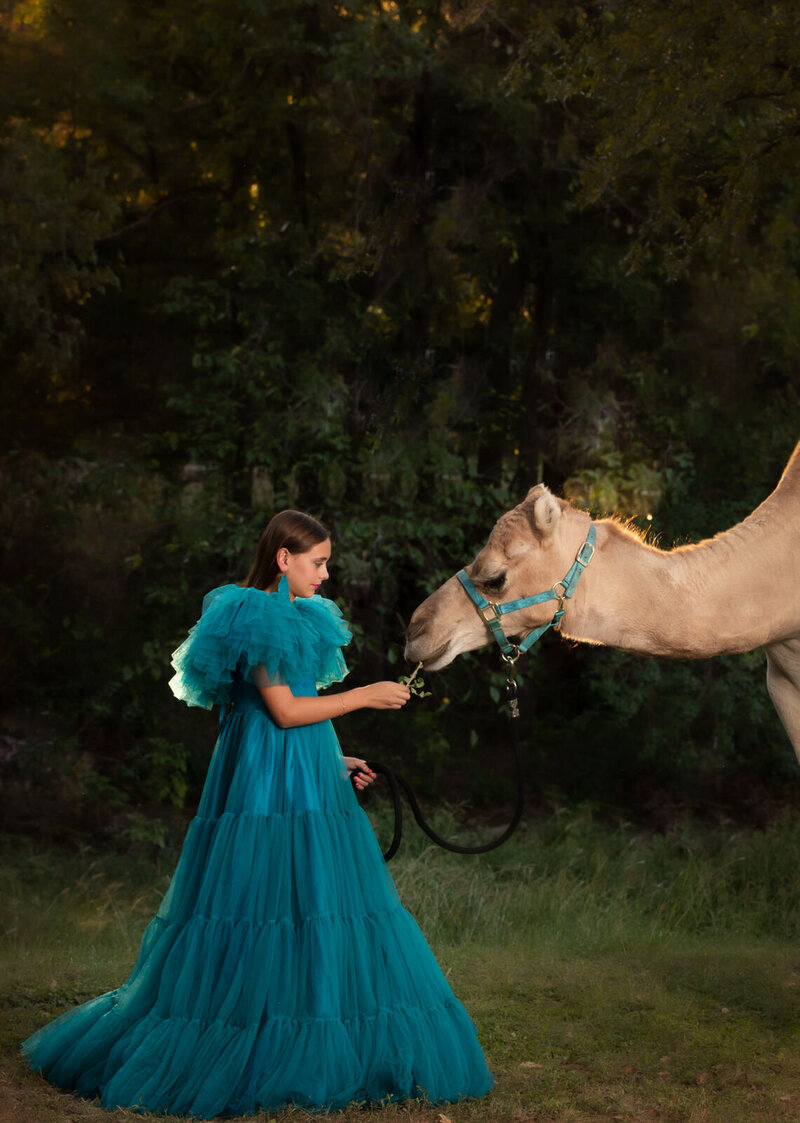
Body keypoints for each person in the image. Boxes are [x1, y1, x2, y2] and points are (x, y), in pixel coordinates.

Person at [22, 509, 493, 1117]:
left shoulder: (297, 615)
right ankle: (247, 1034)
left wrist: (336, 760)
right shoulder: (255, 612)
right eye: (318, 562)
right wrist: (365, 697)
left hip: (299, 772)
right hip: (264, 786)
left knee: (311, 903)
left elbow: (296, 719)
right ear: (283, 559)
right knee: (259, 902)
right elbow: (282, 712)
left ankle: (306, 1014)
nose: (326, 573)